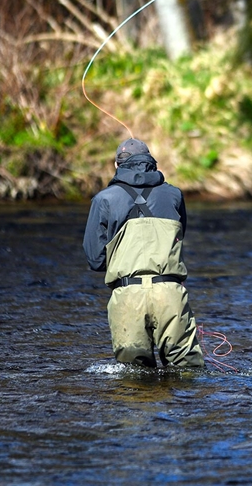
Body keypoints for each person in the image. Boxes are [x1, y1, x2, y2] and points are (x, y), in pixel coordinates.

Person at [83, 138, 204, 369]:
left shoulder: (103, 199)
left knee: (134, 378)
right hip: (170, 293)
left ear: (116, 165)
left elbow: (95, 259)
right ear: (150, 163)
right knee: (188, 374)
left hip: (128, 295)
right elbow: (179, 238)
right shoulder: (175, 195)